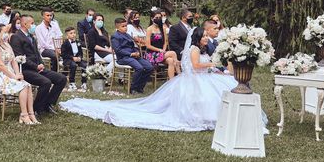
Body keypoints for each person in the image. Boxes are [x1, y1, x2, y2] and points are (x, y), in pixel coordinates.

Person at [61, 27, 268, 132]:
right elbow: (195, 66)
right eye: (204, 35)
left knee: (227, 85)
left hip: (205, 77)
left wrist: (215, 69)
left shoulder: (202, 48)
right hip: (196, 79)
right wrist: (212, 65)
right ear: (197, 38)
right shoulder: (195, 49)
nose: (206, 37)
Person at [10, 15, 67, 116]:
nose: (33, 25)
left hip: (38, 68)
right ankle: (36, 108)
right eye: (32, 23)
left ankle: (47, 104)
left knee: (61, 78)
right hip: (25, 70)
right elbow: (20, 57)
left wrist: (41, 64)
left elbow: (37, 53)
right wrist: (35, 66)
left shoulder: (32, 37)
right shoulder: (16, 37)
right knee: (46, 82)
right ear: (24, 24)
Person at [0, 23, 37, 125]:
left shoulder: (7, 44)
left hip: (8, 73)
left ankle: (31, 113)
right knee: (23, 86)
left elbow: (13, 61)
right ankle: (24, 114)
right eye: (5, 32)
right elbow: (0, 65)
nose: (7, 34)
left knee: (28, 85)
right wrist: (13, 76)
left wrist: (18, 73)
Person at [112, 17, 153, 94]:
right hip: (123, 58)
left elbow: (133, 46)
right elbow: (118, 50)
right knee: (139, 68)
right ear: (117, 27)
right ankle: (133, 88)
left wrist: (137, 52)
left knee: (149, 67)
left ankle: (140, 87)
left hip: (134, 56)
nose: (125, 28)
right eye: (123, 26)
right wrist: (130, 54)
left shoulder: (128, 35)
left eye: (126, 26)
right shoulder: (115, 36)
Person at [145, 10, 180, 78]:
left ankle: (171, 81)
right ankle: (179, 72)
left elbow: (165, 42)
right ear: (152, 18)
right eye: (156, 17)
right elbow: (148, 45)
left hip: (162, 53)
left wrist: (163, 49)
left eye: (160, 17)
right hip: (151, 54)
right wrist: (159, 50)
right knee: (172, 53)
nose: (158, 19)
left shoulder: (163, 28)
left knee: (170, 60)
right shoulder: (149, 29)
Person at [35, 7, 62, 72]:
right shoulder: (39, 28)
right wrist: (55, 49)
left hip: (56, 48)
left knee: (67, 52)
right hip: (45, 49)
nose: (50, 17)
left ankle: (66, 73)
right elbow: (43, 44)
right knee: (54, 56)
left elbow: (59, 36)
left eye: (51, 15)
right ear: (43, 16)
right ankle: (55, 72)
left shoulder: (55, 24)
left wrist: (59, 47)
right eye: (47, 15)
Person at [61, 27, 87, 91]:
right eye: (71, 33)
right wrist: (72, 58)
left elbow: (80, 52)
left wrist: (80, 57)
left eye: (74, 33)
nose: (73, 34)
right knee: (73, 65)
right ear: (67, 35)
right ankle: (72, 82)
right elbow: (63, 54)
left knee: (85, 65)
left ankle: (84, 82)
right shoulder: (65, 44)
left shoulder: (78, 42)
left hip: (77, 59)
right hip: (68, 59)